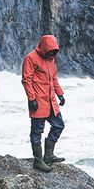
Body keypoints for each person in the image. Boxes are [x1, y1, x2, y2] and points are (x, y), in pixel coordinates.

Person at [21, 34, 66, 172]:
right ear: (44, 47)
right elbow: (26, 80)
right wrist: (32, 99)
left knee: (59, 125)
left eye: (55, 50)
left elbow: (54, 79)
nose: (52, 53)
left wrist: (60, 94)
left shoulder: (51, 60)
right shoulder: (30, 58)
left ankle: (48, 155)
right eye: (50, 50)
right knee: (37, 131)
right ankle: (38, 161)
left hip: (51, 101)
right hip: (38, 102)